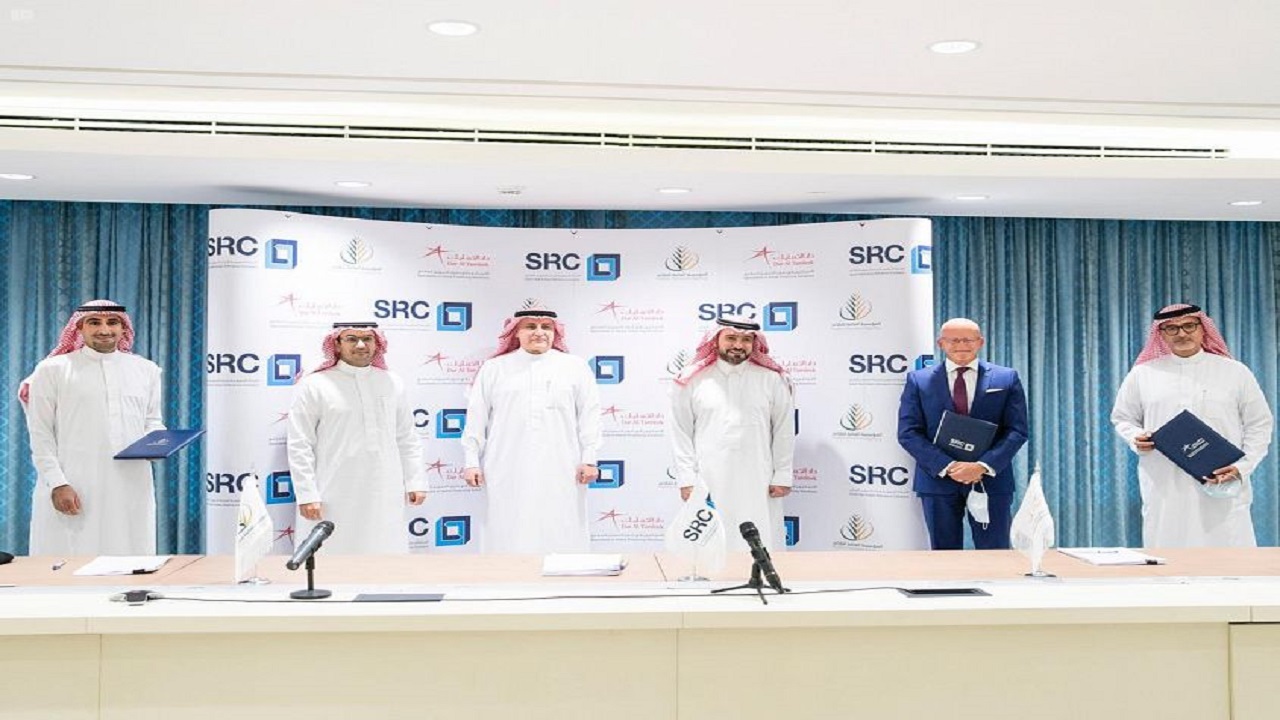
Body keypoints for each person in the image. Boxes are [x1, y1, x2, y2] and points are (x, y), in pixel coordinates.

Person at [1111, 303, 1273, 547]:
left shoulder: (1235, 372)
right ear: (1161, 334)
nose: (1182, 333)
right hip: (1165, 481)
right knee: (1168, 550)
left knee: (1229, 555)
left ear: (1202, 328)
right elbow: (1122, 418)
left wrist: (1242, 466)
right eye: (1172, 328)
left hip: (1222, 480)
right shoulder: (1143, 374)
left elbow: (1259, 424)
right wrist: (1136, 437)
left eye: (1189, 326)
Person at [22, 300, 165, 555]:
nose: (104, 330)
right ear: (79, 328)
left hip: (131, 482)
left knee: (129, 555)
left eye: (112, 322)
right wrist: (57, 483)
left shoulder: (146, 370)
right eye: (94, 322)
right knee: (68, 557)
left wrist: (159, 443)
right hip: (75, 480)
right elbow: (41, 433)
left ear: (123, 328)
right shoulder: (53, 370)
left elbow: (152, 421)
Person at [462, 309, 602, 553]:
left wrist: (589, 458)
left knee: (561, 523)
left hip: (562, 465)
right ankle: (506, 574)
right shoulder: (494, 368)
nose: (539, 332)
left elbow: (590, 415)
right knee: (507, 525)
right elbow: (476, 417)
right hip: (506, 464)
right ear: (516, 332)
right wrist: (471, 461)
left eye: (546, 327)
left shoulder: (575, 367)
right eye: (530, 326)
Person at [287, 322, 426, 554]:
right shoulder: (314, 385)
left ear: (377, 343)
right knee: (333, 553)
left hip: (385, 487)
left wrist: (415, 481)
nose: (361, 345)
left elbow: (407, 437)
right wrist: (306, 494)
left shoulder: (392, 382)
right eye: (351, 339)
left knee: (385, 552)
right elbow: (300, 444)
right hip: (333, 491)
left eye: (367, 339)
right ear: (336, 345)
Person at [897, 318, 1029, 550]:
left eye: (968, 340)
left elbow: (1017, 430)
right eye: (954, 340)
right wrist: (949, 466)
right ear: (941, 343)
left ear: (980, 342)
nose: (961, 345)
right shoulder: (919, 380)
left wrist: (982, 466)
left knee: (995, 552)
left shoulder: (1006, 378)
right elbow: (908, 432)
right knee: (944, 554)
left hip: (990, 480)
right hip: (937, 481)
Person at [669, 315, 795, 552]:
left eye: (746, 340)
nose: (738, 345)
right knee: (710, 543)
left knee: (759, 534)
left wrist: (783, 475)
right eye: (731, 338)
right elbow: (680, 433)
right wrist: (686, 478)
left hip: (758, 477)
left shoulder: (772, 379)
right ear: (716, 340)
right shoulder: (692, 380)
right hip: (708, 477)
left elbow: (784, 430)